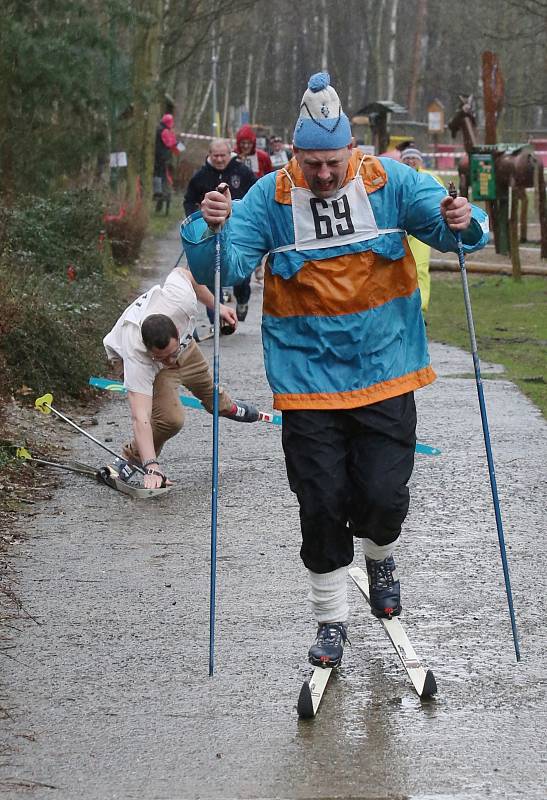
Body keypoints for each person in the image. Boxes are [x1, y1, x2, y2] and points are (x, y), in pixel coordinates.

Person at [181, 72, 489, 669]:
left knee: (382, 497)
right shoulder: (270, 198)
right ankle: (329, 623)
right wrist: (208, 226)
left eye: (332, 162)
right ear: (296, 155)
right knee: (320, 504)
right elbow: (226, 267)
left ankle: (380, 557)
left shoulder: (390, 183)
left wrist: (462, 218)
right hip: (307, 385)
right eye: (311, 163)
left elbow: (458, 232)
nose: (322, 175)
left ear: (352, 150)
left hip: (386, 371)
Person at [103, 267, 258, 490]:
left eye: (171, 354)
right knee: (170, 420)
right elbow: (140, 418)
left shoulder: (181, 300)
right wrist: (151, 465)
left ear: (178, 329)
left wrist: (217, 305)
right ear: (150, 350)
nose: (171, 360)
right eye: (163, 357)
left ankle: (227, 407)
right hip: (149, 367)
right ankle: (131, 458)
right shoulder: (137, 355)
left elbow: (187, 272)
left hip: (184, 346)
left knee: (208, 389)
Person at [184, 139, 257, 323]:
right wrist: (196, 221)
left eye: (222, 155)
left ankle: (242, 299)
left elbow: (255, 197)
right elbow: (189, 200)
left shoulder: (243, 172)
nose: (218, 159)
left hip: (239, 230)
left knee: (240, 273)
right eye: (215, 156)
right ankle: (216, 317)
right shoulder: (200, 176)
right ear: (209, 154)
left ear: (230, 153)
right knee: (211, 272)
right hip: (209, 231)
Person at [400, 146, 445, 314]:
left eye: (414, 158)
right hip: (400, 230)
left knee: (420, 267)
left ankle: (421, 307)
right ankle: (404, 306)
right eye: (407, 158)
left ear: (420, 161)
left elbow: (441, 199)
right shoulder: (397, 176)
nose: (410, 161)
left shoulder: (430, 177)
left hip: (421, 231)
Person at [153, 113, 184, 214]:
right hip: (162, 158)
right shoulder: (165, 131)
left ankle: (159, 194)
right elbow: (171, 143)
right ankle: (158, 193)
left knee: (159, 174)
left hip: (157, 157)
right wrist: (181, 147)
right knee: (162, 176)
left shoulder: (159, 129)